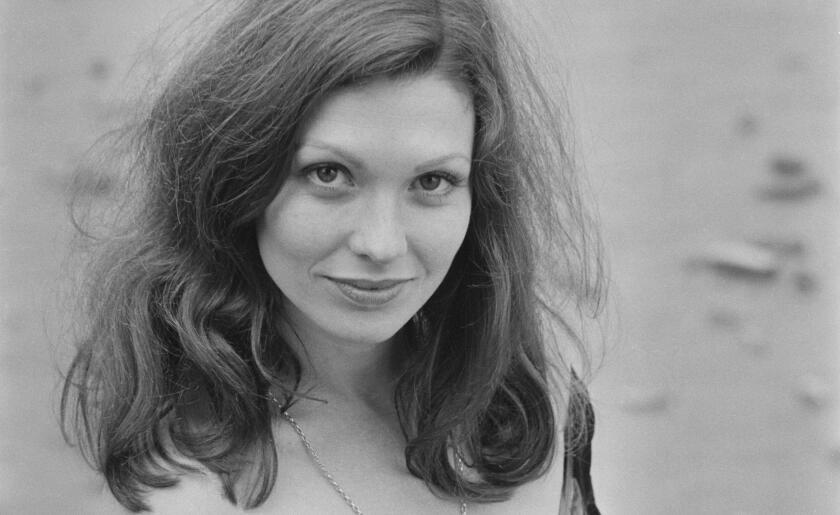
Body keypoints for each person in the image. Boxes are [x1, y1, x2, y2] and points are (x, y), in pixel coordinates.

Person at [61, 0, 603, 513]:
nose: (382, 243)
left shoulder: (535, 400)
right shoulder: (194, 491)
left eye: (432, 181)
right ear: (234, 177)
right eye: (329, 174)